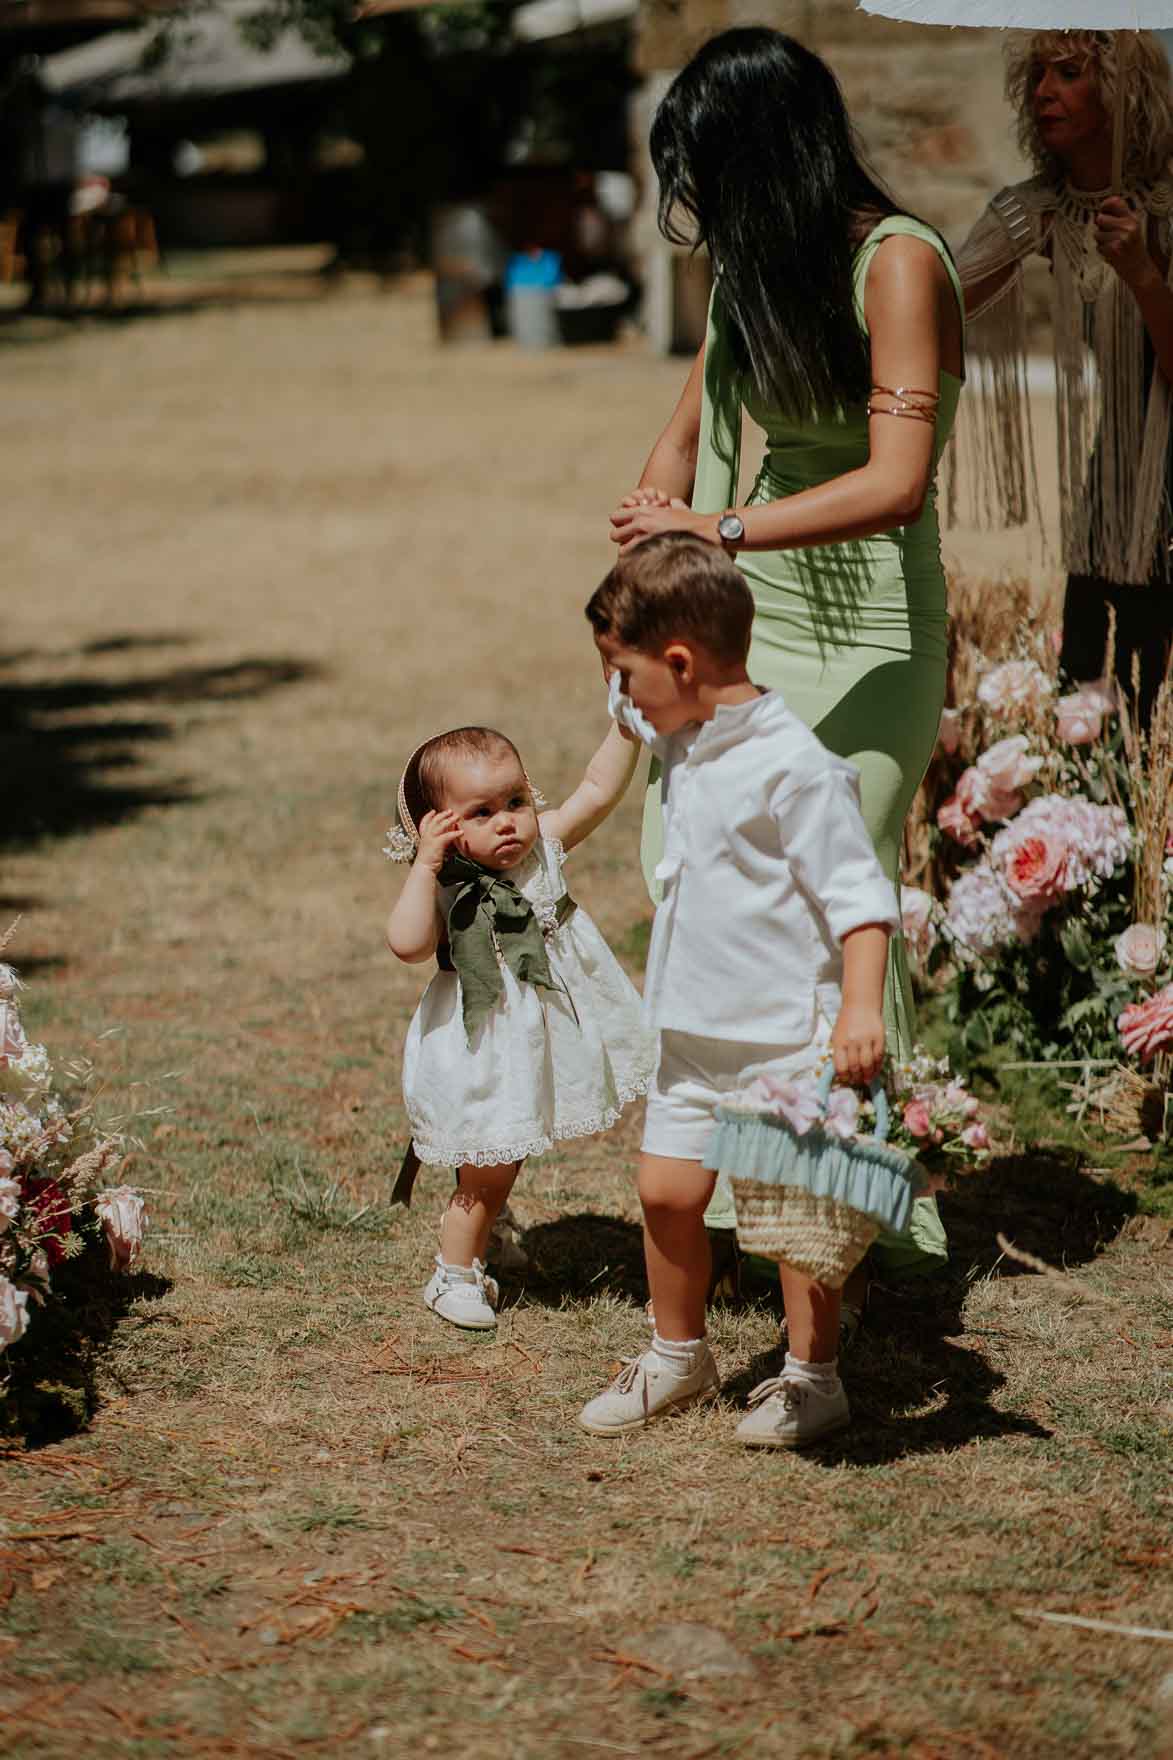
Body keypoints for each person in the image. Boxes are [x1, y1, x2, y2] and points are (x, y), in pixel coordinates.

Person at [607, 27, 962, 1291]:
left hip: (872, 632)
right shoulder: (759, 272)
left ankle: (846, 1212)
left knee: (834, 898)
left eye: (708, 169)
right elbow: (687, 428)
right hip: (758, 615)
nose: (699, 204)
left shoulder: (898, 262)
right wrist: (654, 544)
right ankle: (756, 1198)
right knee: (693, 866)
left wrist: (721, 525)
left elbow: (897, 481)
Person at [579, 535, 900, 1447]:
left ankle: (813, 1379)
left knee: (795, 1223)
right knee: (667, 1192)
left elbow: (860, 901)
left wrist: (859, 1008)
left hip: (781, 1036)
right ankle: (678, 1356)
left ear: (679, 664)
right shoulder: (680, 725)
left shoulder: (793, 766)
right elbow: (637, 706)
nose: (620, 696)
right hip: (689, 1026)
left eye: (625, 673)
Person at [385, 723, 657, 1331]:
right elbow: (405, 944)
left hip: (537, 1037)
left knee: (509, 1144)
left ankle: (485, 1236)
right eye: (481, 812)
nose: (508, 821)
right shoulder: (447, 882)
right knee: (488, 1163)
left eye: (515, 801)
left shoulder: (541, 850)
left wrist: (621, 729)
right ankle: (452, 1273)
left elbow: (596, 790)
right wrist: (426, 865)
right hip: (482, 1043)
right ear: (442, 827)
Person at [953, 29, 1173, 723]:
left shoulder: (1165, 205)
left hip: (1167, 482)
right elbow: (934, 298)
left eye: (1070, 72)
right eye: (1038, 75)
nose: (1044, 91)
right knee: (1086, 699)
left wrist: (1141, 274)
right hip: (1115, 483)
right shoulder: (1040, 207)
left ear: (1120, 89)